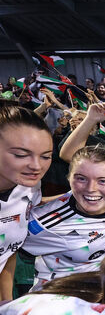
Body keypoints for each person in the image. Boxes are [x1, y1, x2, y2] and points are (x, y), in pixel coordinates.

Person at [23, 145, 105, 288]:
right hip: (61, 295)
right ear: (69, 179)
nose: (91, 189)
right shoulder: (43, 223)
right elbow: (7, 251)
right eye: (81, 179)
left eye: (103, 181)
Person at [0, 106, 52, 300]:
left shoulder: (29, 188)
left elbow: (8, 252)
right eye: (21, 155)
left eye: (45, 156)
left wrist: (7, 304)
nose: (36, 166)